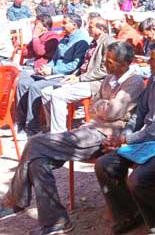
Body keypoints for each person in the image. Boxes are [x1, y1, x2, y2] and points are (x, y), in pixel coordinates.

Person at [0, 41, 145, 235]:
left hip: (105, 135)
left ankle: (15, 200)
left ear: (124, 63)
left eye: (110, 61)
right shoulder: (109, 78)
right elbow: (95, 105)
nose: (106, 64)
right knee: (38, 162)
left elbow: (112, 112)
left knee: (35, 142)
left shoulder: (133, 81)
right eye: (106, 60)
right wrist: (103, 106)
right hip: (90, 129)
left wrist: (102, 107)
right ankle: (55, 223)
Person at [94, 40, 155, 234]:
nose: (149, 62)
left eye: (154, 60)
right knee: (104, 164)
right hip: (145, 140)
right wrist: (125, 135)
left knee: (138, 180)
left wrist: (126, 140)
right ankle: (130, 214)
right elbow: (139, 114)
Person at [15, 14, 90, 138]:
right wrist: (47, 68)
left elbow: (74, 65)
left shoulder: (81, 41)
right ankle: (20, 123)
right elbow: (54, 58)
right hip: (53, 71)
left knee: (36, 87)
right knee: (23, 83)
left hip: (65, 75)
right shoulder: (64, 39)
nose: (62, 25)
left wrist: (52, 70)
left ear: (74, 26)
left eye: (65, 23)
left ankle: (32, 127)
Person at [40, 17, 116, 133]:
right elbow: (84, 64)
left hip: (96, 83)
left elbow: (105, 70)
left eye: (91, 27)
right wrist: (75, 75)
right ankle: (53, 127)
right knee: (45, 92)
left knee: (57, 95)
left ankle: (58, 134)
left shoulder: (108, 43)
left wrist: (80, 78)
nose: (88, 29)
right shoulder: (93, 42)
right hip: (82, 78)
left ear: (100, 29)